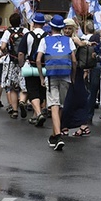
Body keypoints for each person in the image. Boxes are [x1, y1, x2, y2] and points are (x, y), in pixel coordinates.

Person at [36, 15, 76, 151]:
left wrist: (42, 77)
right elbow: (74, 61)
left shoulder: (45, 40)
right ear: (62, 28)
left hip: (52, 75)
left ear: (51, 27)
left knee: (53, 105)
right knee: (60, 106)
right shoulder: (68, 40)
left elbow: (38, 59)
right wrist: (73, 76)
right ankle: (54, 134)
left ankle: (57, 135)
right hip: (66, 75)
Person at [59, 18, 93, 137]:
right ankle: (82, 125)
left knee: (70, 99)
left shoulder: (73, 39)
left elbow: (80, 43)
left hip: (74, 71)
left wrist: (86, 43)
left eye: (69, 28)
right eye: (65, 28)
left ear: (73, 29)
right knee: (76, 98)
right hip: (67, 70)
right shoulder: (62, 39)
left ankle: (66, 126)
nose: (67, 30)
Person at [19, 13, 47, 126]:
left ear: (34, 23)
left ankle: (38, 114)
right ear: (44, 24)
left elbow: (21, 53)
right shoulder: (47, 36)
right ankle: (36, 115)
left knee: (32, 90)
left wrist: (21, 65)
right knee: (41, 91)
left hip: (30, 66)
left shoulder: (28, 35)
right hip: (44, 67)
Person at [0, 13, 29, 119]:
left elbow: (2, 46)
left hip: (12, 61)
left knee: (12, 87)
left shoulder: (8, 32)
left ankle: (15, 110)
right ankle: (22, 101)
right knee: (24, 85)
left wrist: (6, 52)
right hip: (23, 62)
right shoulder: (25, 31)